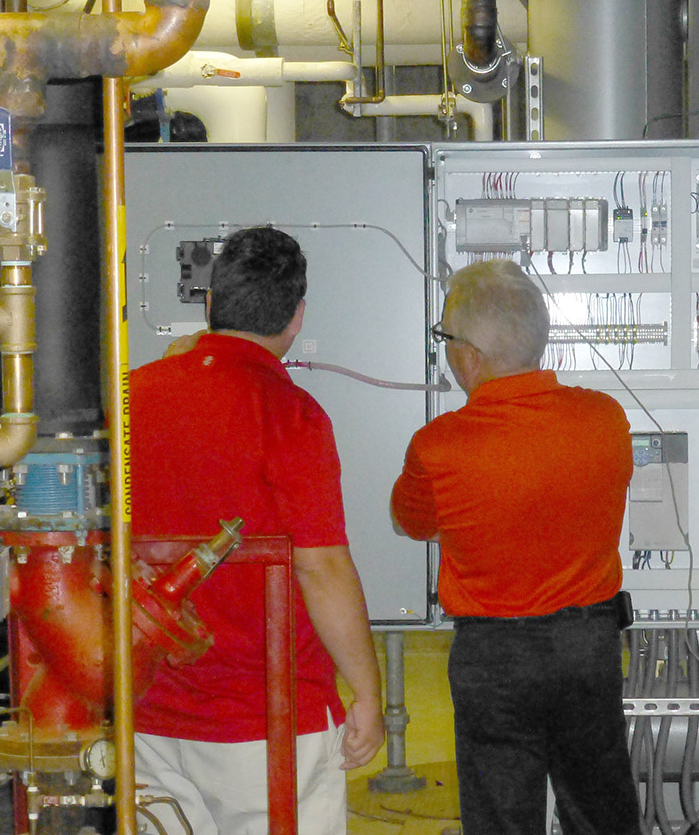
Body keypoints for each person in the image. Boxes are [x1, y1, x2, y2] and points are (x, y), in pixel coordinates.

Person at [130, 226, 384, 835]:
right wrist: (369, 695)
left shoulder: (131, 397)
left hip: (147, 710)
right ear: (296, 317)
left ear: (211, 304)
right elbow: (320, 568)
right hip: (269, 724)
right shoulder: (292, 413)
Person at [390, 259, 640, 835]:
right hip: (589, 646)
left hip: (493, 658)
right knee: (602, 811)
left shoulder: (438, 446)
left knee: (502, 818)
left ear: (470, 355)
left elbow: (412, 522)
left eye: (446, 338)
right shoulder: (605, 418)